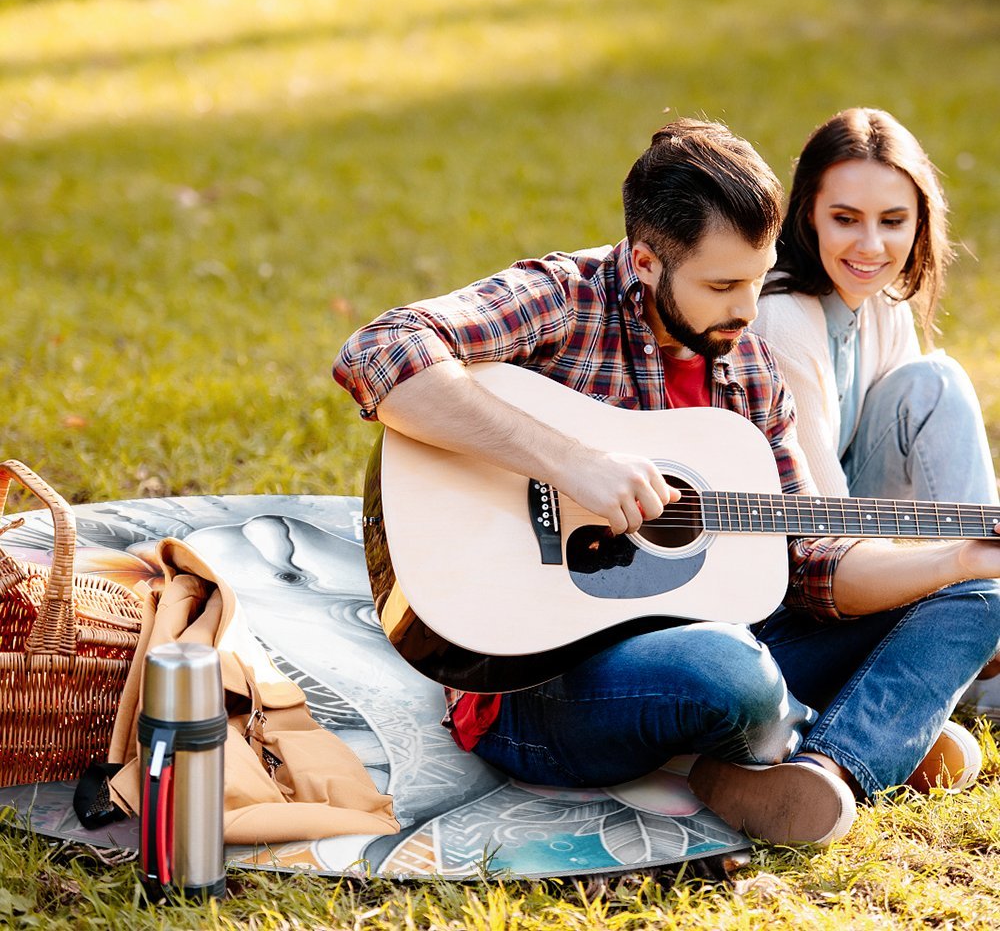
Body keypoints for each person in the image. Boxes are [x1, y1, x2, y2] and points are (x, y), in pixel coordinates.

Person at [333, 118, 1000, 847]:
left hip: (728, 640)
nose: (748, 311)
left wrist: (957, 559)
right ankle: (852, 727)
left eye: (757, 277)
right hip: (539, 685)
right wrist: (569, 461)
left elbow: (809, 560)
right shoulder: (564, 298)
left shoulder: (748, 366)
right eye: (722, 285)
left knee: (980, 596)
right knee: (728, 673)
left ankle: (830, 768)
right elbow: (380, 350)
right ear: (646, 261)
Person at [753, 107, 1000, 742]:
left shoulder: (882, 303)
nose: (871, 246)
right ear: (806, 213)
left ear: (920, 221)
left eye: (893, 221)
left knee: (933, 381)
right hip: (798, 576)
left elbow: (922, 467)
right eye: (845, 219)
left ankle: (979, 623)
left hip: (861, 536)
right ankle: (976, 636)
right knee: (936, 382)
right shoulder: (783, 319)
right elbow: (822, 531)